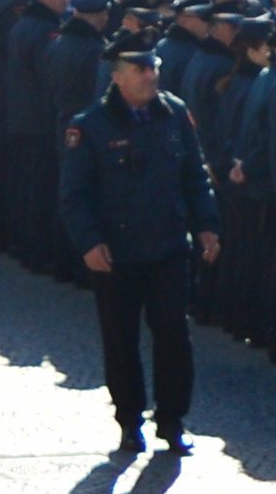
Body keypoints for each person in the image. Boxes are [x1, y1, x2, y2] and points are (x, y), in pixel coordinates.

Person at [60, 32, 222, 457]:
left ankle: (172, 420)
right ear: (117, 76)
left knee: (173, 335)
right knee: (121, 339)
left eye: (153, 68)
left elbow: (195, 175)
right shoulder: (90, 124)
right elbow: (74, 195)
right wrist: (89, 242)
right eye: (140, 69)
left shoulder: (174, 114)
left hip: (168, 246)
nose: (150, 76)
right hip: (117, 252)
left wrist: (206, 224)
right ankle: (129, 420)